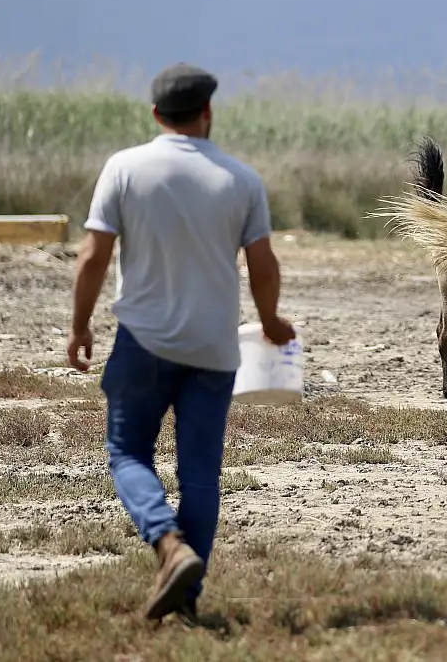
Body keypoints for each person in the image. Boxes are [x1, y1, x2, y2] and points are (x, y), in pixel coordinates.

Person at [68, 62, 296, 623]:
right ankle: (187, 602)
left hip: (142, 343)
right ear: (207, 112)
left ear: (155, 115)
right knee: (199, 474)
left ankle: (169, 545)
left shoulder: (124, 168)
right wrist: (269, 320)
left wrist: (79, 326)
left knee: (127, 453)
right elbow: (263, 264)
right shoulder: (241, 180)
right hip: (214, 349)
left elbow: (93, 257)